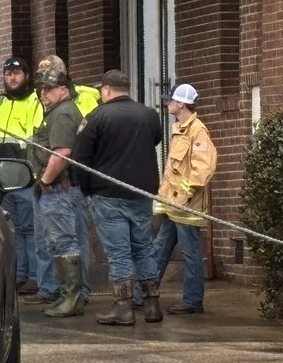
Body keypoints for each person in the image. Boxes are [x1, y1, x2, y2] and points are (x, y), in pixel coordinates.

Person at [72, 70, 163, 326]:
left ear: (107, 90)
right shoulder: (150, 115)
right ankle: (152, 304)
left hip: (108, 194)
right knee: (143, 246)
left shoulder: (97, 117)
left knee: (118, 251)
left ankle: (122, 307)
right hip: (142, 193)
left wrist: (86, 189)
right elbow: (154, 140)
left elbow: (81, 158)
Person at [153, 83, 217, 314]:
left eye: (171, 100)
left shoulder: (197, 131)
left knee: (190, 252)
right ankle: (145, 294)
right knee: (160, 247)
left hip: (185, 205)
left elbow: (202, 169)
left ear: (181, 104)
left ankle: (192, 301)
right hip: (172, 203)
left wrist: (185, 193)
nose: (167, 103)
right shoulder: (180, 128)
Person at [0, 57, 42, 294]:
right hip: (3, 179)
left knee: (31, 230)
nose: (12, 78)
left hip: (26, 177)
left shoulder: (36, 103)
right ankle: (20, 275)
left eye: (17, 73)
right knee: (14, 230)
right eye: (8, 74)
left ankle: (35, 276)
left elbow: (37, 137)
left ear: (26, 76)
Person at [29, 70, 87, 317]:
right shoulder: (61, 110)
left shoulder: (63, 113)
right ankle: (67, 295)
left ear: (63, 89)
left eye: (48, 88)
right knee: (59, 242)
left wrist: (45, 180)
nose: (43, 94)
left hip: (59, 190)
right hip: (62, 189)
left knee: (64, 243)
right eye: (41, 89)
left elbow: (62, 152)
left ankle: (72, 299)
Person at [36, 55, 101, 116]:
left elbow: (91, 125)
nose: (43, 92)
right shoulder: (38, 100)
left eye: (48, 87)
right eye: (41, 88)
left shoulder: (84, 97)